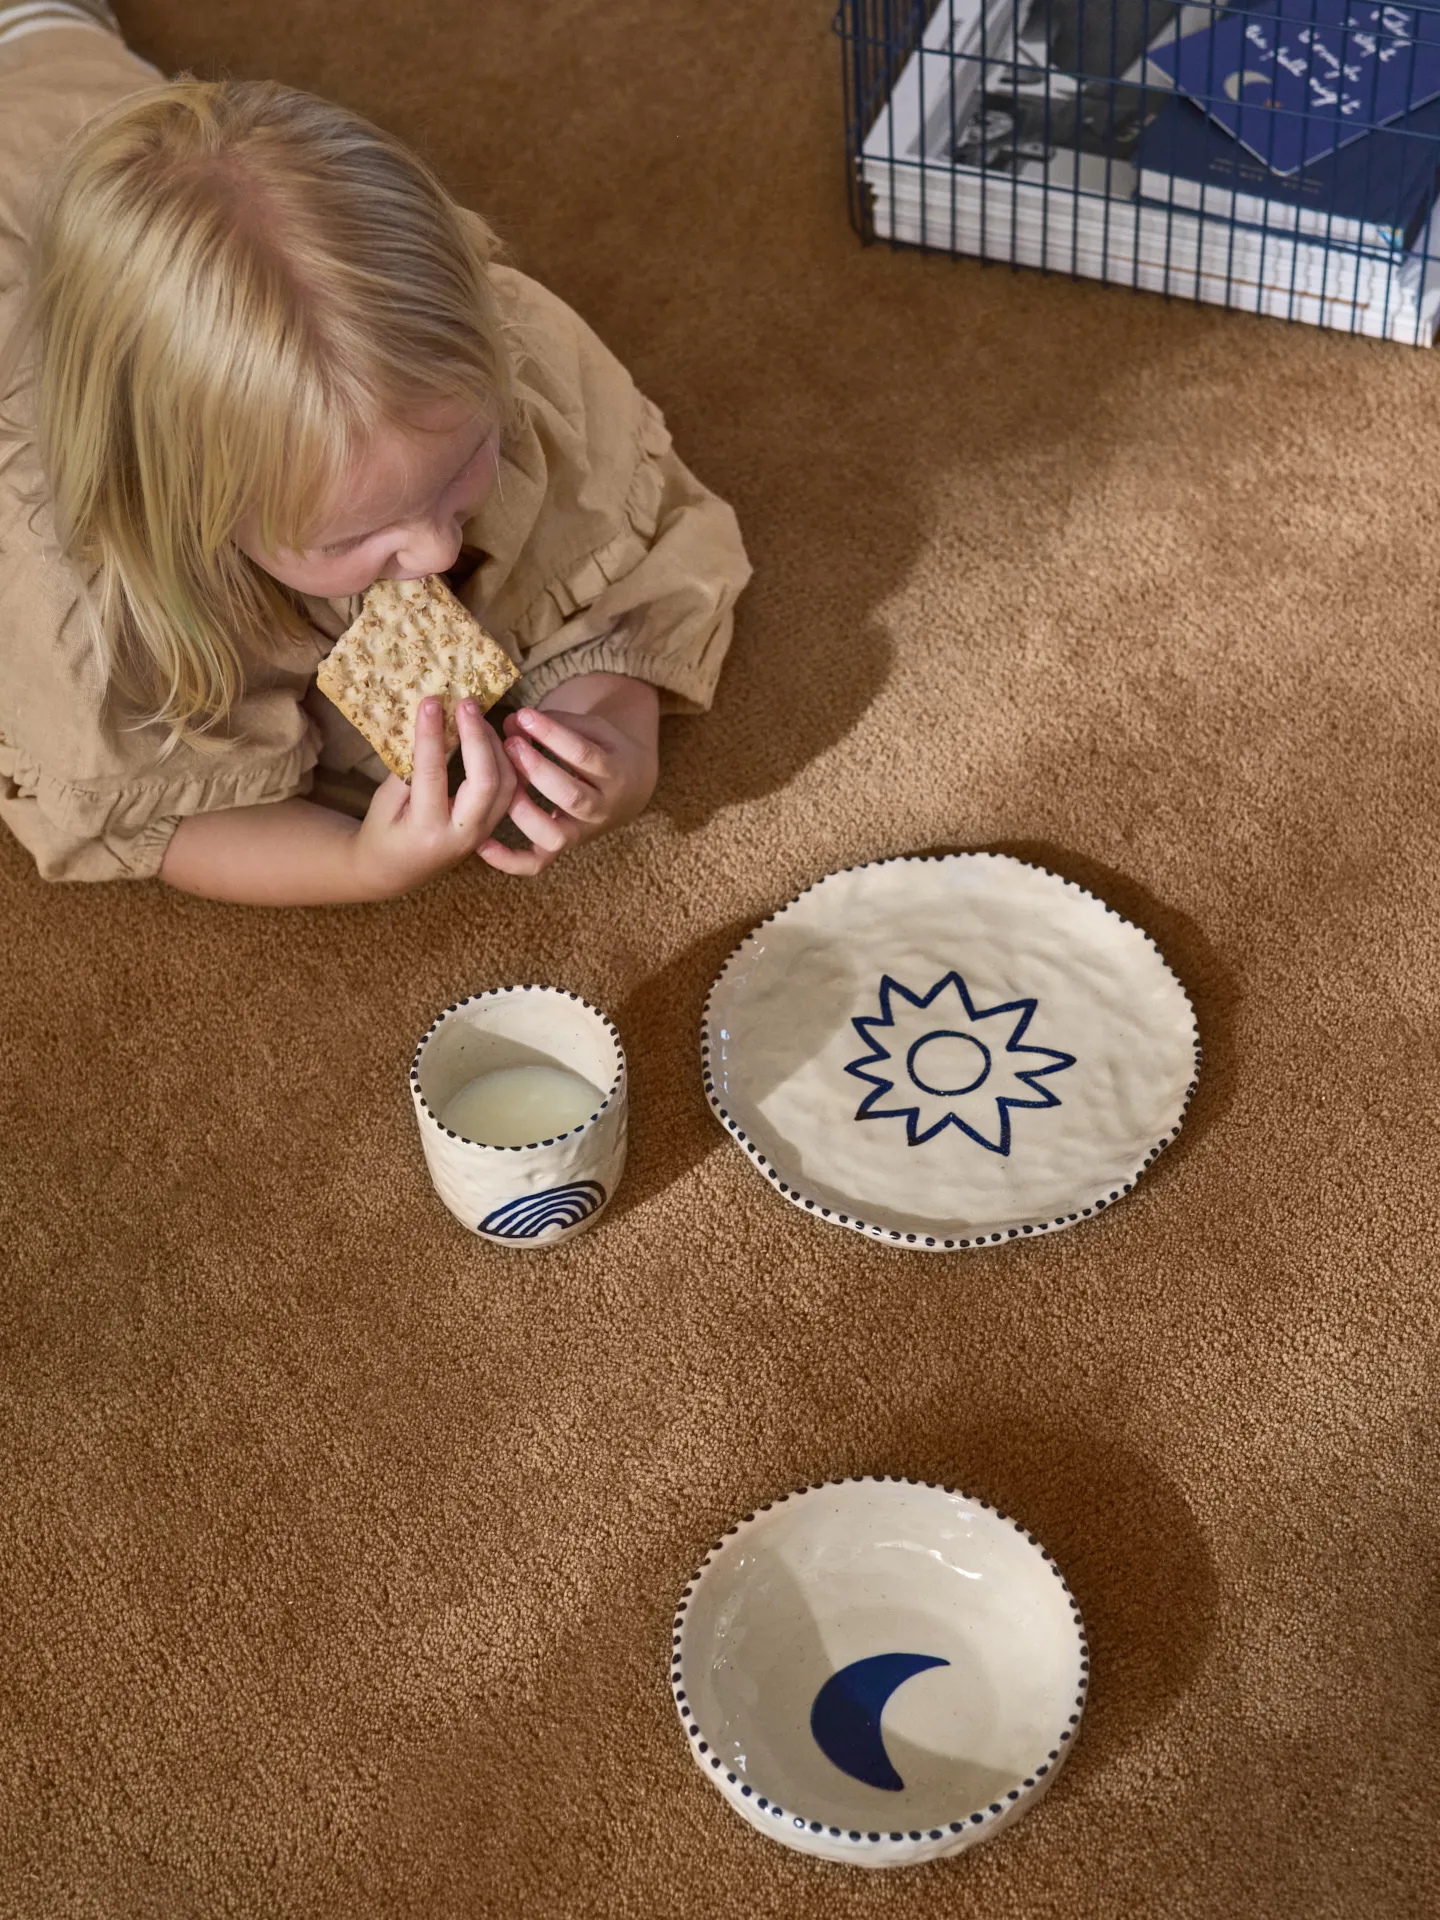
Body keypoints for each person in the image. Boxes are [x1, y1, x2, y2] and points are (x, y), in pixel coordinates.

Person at [0, 3, 751, 901]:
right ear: (184, 511)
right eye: (353, 537)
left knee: (87, 90)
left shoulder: (517, 357)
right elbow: (152, 818)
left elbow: (625, 567)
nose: (436, 550)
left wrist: (614, 737)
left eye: (462, 466)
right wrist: (357, 865)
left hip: (75, 104)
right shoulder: (77, 583)